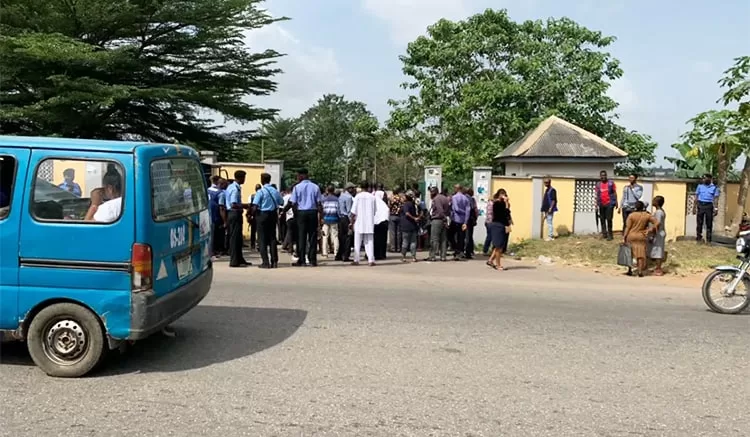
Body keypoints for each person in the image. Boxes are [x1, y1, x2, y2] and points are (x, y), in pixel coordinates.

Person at [287, 169, 322, 267]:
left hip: (301, 213)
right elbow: (319, 203)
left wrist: (296, 214)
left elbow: (293, 202)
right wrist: (321, 217)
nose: (297, 177)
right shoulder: (316, 187)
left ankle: (302, 260)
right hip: (312, 212)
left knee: (301, 237)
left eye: (298, 175)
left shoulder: (297, 187)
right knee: (312, 236)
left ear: (302, 176)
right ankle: (312, 260)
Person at [252, 173, 284, 269]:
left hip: (262, 215)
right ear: (269, 180)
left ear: (262, 180)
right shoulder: (275, 191)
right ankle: (274, 261)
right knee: (272, 238)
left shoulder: (260, 192)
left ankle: (265, 262)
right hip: (273, 215)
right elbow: (281, 202)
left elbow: (255, 206)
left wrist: (251, 215)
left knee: (262, 239)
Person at [623, 200, 659, 277]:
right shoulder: (646, 215)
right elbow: (657, 222)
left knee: (630, 253)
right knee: (640, 254)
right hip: (641, 236)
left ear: (635, 207)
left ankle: (630, 270)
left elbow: (627, 227)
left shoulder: (631, 215)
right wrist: (650, 229)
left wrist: (624, 237)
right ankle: (640, 271)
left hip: (631, 235)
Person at [226, 170, 251, 267]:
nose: (244, 180)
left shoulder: (233, 187)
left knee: (238, 238)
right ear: (240, 178)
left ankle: (240, 259)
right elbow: (233, 204)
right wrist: (245, 206)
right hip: (234, 213)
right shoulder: (235, 189)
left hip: (235, 214)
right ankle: (234, 261)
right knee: (234, 238)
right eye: (244, 178)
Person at [351, 181, 376, 266]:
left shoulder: (358, 196)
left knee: (357, 242)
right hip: (369, 222)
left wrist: (351, 222)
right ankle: (371, 260)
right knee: (369, 241)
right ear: (368, 187)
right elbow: (375, 211)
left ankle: (356, 259)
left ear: (360, 187)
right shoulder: (372, 197)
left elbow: (353, 212)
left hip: (359, 221)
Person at [488, 188, 511, 271]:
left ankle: (491, 260)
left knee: (500, 245)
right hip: (497, 225)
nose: (504, 196)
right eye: (503, 195)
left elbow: (507, 215)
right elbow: (505, 213)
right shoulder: (497, 204)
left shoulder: (503, 204)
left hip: (503, 225)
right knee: (499, 247)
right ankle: (498, 265)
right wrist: (506, 205)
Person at [427, 186, 451, 262]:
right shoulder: (444, 198)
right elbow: (448, 209)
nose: (430, 194)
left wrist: (443, 217)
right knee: (443, 239)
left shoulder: (436, 199)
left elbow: (440, 210)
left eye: (431, 192)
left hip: (437, 219)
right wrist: (445, 219)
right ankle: (443, 256)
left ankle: (432, 256)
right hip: (444, 220)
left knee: (434, 239)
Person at [694, 173, 719, 244]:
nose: (703, 179)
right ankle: (699, 239)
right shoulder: (699, 186)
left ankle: (708, 240)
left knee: (709, 224)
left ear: (709, 179)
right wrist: (694, 207)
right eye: (703, 178)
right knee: (699, 223)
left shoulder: (714, 187)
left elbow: (716, 198)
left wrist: (716, 208)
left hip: (709, 206)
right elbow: (696, 197)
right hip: (700, 205)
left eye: (705, 178)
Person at [449, 184, 471, 260]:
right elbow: (468, 211)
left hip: (456, 219)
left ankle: (456, 250)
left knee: (450, 235)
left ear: (456, 189)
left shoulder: (454, 197)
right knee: (461, 237)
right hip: (463, 221)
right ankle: (460, 251)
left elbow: (456, 209)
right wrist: (465, 221)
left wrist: (462, 212)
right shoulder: (466, 198)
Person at [595, 170, 618, 241]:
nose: (603, 177)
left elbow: (614, 192)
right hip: (601, 204)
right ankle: (604, 234)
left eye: (604, 175)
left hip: (609, 204)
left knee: (609, 219)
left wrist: (616, 202)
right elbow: (596, 194)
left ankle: (610, 235)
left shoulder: (611, 183)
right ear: (600, 176)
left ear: (606, 176)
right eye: (602, 175)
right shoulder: (598, 184)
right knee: (602, 219)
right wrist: (596, 204)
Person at [207, 176, 226, 257]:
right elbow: (221, 207)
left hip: (208, 215)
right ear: (218, 182)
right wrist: (225, 221)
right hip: (217, 217)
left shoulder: (207, 190)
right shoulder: (220, 193)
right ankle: (217, 250)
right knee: (218, 235)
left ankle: (211, 250)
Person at [336, 183, 355, 262]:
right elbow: (349, 211)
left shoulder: (341, 196)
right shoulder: (349, 197)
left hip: (341, 218)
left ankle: (339, 255)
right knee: (348, 237)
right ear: (349, 189)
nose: (354, 190)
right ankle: (345, 255)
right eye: (353, 188)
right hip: (347, 219)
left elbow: (338, 209)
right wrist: (351, 222)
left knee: (341, 237)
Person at [321, 185, 340, 258]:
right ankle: (336, 252)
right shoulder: (336, 199)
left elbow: (322, 209)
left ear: (327, 191)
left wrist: (322, 218)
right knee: (335, 236)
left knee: (325, 236)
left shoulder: (324, 199)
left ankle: (325, 253)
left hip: (326, 219)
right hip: (334, 218)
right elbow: (338, 210)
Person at [650, 196, 667, 276]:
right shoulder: (658, 211)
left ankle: (659, 269)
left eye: (654, 200)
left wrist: (652, 232)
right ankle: (657, 267)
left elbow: (658, 223)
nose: (652, 201)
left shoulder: (659, 212)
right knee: (656, 250)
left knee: (658, 251)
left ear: (657, 202)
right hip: (658, 233)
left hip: (659, 233)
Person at [400, 191, 419, 262]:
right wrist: (415, 218)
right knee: (413, 242)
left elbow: (407, 213)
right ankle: (413, 257)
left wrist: (414, 218)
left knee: (405, 241)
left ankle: (403, 257)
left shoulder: (406, 204)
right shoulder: (413, 204)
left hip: (406, 226)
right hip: (413, 226)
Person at [374, 185, 390, 260]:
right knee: (382, 239)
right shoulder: (383, 205)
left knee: (376, 239)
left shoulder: (374, 202)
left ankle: (377, 254)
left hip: (376, 223)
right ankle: (381, 254)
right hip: (383, 223)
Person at [541, 177, 557, 241]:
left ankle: (550, 237)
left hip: (549, 209)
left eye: (546, 182)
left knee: (549, 222)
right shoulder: (547, 190)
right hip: (546, 208)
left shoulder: (552, 190)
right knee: (548, 222)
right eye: (544, 182)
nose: (545, 184)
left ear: (549, 182)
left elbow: (554, 200)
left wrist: (550, 208)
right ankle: (550, 236)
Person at [388, 187, 403, 252]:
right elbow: (402, 206)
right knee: (399, 232)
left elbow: (389, 206)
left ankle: (393, 248)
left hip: (392, 215)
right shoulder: (401, 198)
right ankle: (399, 247)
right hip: (399, 216)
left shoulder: (391, 198)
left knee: (392, 233)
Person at [464, 188, 478, 259]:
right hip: (469, 220)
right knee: (469, 236)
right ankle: (468, 252)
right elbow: (474, 210)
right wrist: (475, 219)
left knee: (465, 236)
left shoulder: (464, 197)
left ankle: (464, 251)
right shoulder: (471, 199)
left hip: (462, 219)